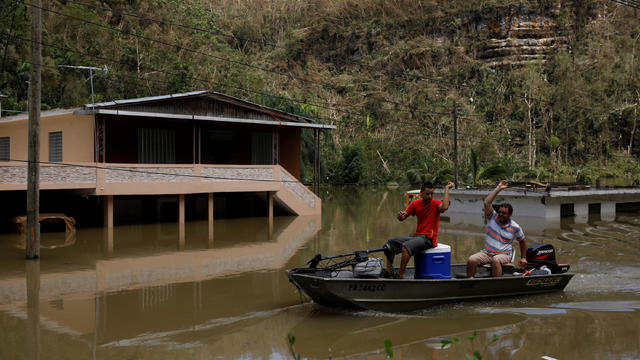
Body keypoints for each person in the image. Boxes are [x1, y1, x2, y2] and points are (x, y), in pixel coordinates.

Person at [382, 181, 455, 279]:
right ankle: (389, 271)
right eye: (427, 194)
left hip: (429, 238)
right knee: (390, 244)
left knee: (406, 246)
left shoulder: (436, 203)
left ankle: (399, 275)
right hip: (418, 235)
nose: (430, 196)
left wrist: (447, 188)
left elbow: (445, 206)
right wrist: (399, 216)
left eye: (432, 194)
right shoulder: (415, 203)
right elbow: (402, 218)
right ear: (421, 193)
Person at [466, 180, 528, 278]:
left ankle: (496, 284)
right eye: (500, 212)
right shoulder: (492, 217)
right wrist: (498, 189)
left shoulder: (515, 227)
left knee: (496, 260)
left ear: (510, 215)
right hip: (487, 253)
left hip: (504, 255)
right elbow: (487, 203)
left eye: (504, 213)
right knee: (471, 260)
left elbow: (522, 241)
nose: (501, 214)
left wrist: (524, 257)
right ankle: (469, 282)